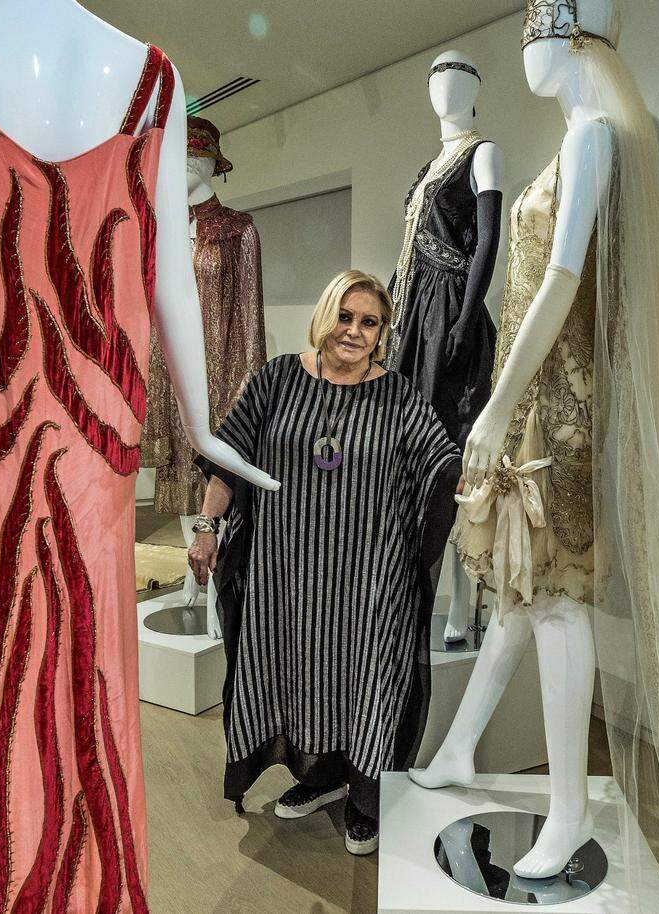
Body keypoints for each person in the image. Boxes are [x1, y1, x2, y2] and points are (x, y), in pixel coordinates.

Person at [188, 270, 460, 855]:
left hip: (368, 581)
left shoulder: (399, 397)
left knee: (366, 683)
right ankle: (315, 779)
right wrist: (207, 527)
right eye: (345, 316)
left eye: (369, 323)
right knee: (295, 674)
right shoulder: (279, 378)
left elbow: (443, 465)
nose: (354, 331)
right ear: (326, 313)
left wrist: (487, 482)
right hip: (287, 576)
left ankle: (363, 799)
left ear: (382, 333)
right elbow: (228, 456)